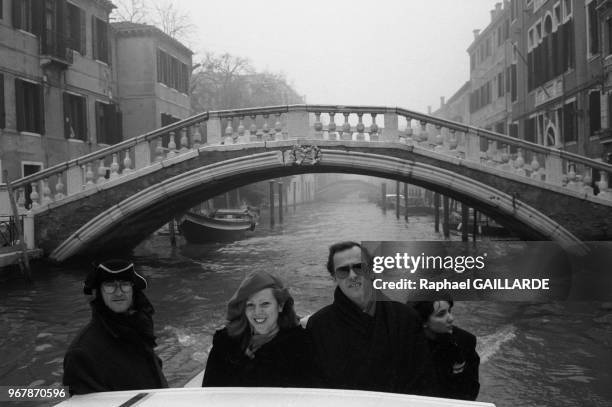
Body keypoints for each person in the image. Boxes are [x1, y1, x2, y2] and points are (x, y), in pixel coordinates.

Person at [306, 241, 437, 395]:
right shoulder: (319, 326)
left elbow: (423, 380)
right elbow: (317, 388)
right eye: (343, 271)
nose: (352, 275)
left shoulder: (406, 318)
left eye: (359, 267)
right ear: (334, 278)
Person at [63, 259, 168, 395]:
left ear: (133, 290)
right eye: (109, 285)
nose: (118, 293)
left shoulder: (139, 330)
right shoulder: (81, 353)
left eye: (124, 284)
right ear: (99, 293)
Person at [202, 271, 313, 387]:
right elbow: (209, 391)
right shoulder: (226, 341)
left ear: (280, 306)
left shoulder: (300, 344)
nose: (257, 312)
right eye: (250, 305)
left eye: (265, 304)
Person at [412, 294, 480, 400]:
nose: (451, 319)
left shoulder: (465, 341)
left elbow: (470, 390)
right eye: (441, 314)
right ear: (423, 321)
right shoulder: (406, 344)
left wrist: (456, 356)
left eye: (449, 311)